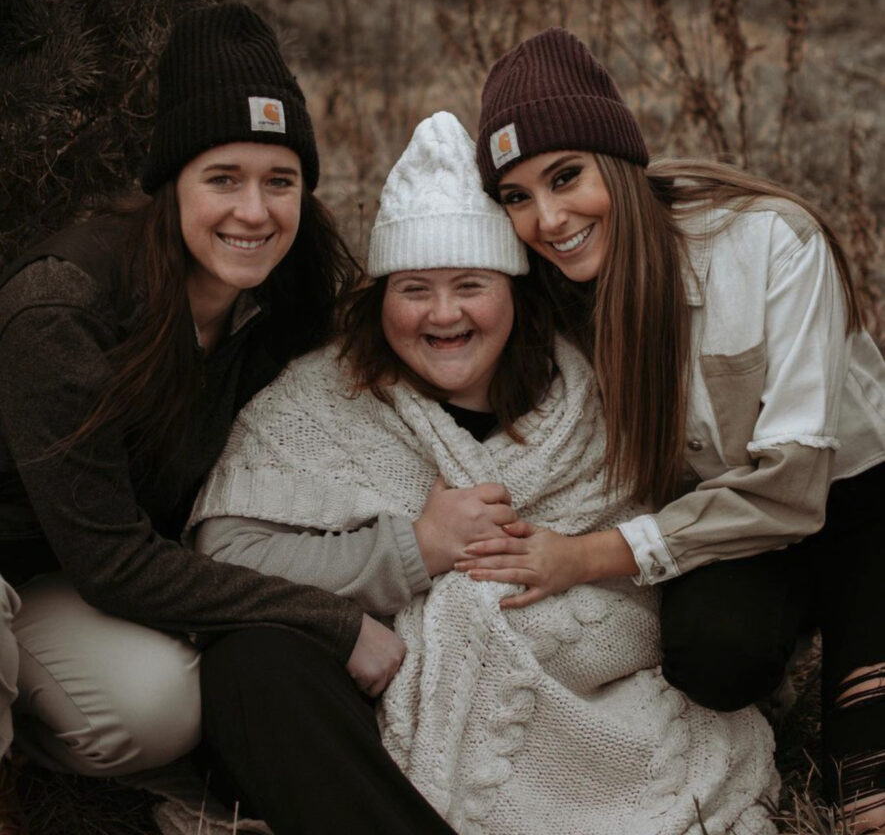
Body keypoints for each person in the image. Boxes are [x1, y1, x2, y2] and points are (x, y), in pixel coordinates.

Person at [191, 111, 778, 835]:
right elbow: (226, 553)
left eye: (469, 283)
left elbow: (655, 552)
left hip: (591, 691)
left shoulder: (594, 394)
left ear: (512, 292)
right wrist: (417, 551)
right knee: (252, 670)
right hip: (379, 692)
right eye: (413, 289)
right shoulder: (323, 399)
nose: (442, 314)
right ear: (381, 303)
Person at [0, 3, 439, 833]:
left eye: (280, 181)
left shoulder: (281, 304)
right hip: (40, 562)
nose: (254, 211)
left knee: (158, 707)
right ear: (172, 185)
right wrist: (330, 619)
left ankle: (43, 722)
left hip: (63, 575)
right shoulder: (64, 308)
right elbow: (114, 564)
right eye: (223, 179)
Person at [464, 26, 885, 830]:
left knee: (865, 805)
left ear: (618, 164)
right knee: (713, 660)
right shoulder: (556, 295)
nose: (548, 219)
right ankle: (787, 650)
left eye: (564, 177)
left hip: (856, 500)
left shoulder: (768, 241)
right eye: (516, 197)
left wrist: (582, 557)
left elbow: (794, 487)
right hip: (732, 522)